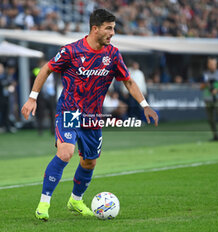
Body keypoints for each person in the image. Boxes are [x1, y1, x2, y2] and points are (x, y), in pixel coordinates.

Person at [21, 9, 158, 221]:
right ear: (95, 29)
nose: (112, 33)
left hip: (92, 117)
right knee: (66, 152)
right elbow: (46, 69)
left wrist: (145, 105)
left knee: (89, 163)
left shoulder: (112, 54)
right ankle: (43, 203)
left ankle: (75, 200)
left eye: (113, 28)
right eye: (109, 28)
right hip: (69, 111)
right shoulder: (71, 51)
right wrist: (32, 97)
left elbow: (129, 81)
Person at [32, 60, 56, 135]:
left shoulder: (53, 73)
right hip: (42, 95)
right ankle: (40, 129)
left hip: (51, 95)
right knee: (40, 113)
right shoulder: (38, 71)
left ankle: (53, 129)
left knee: (52, 113)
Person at [0, 62, 16, 133]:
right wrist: (9, 83)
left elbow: (11, 82)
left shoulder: (5, 76)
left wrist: (10, 83)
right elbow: (2, 83)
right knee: (0, 112)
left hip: (6, 97)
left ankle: (7, 127)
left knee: (7, 112)